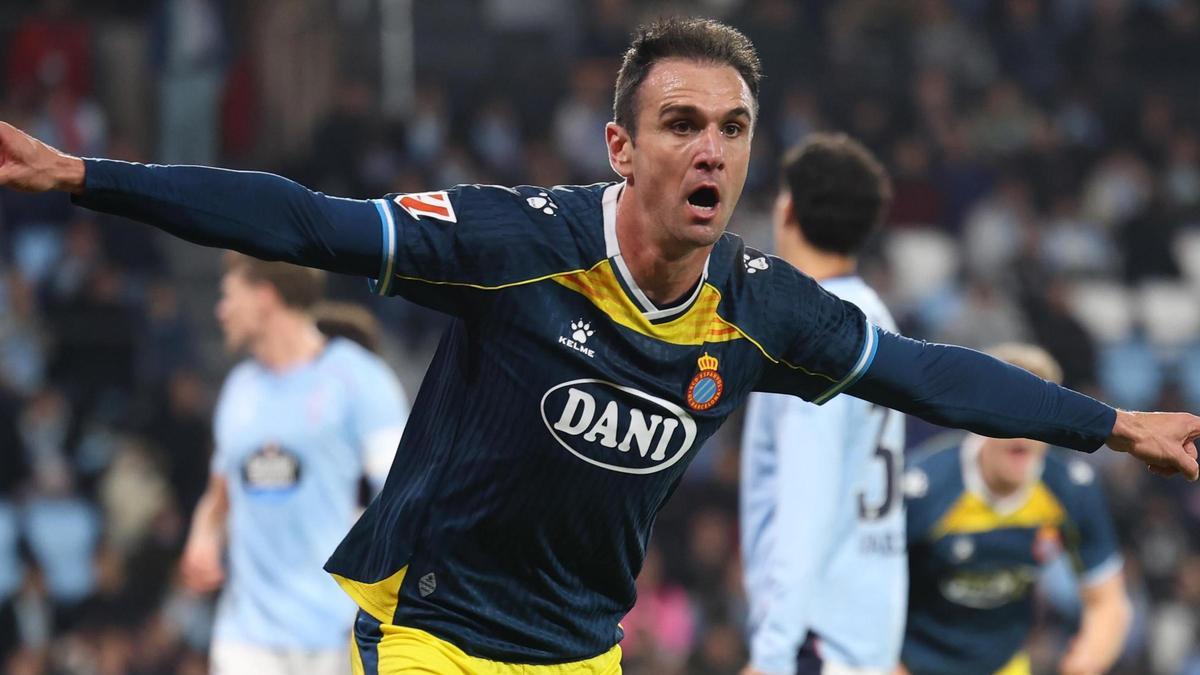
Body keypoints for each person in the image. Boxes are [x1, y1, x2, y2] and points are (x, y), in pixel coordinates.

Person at [0, 16, 1195, 675]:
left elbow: (927, 373)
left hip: (580, 653)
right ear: (621, 147)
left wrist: (1111, 423)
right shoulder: (514, 242)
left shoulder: (762, 308)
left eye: (734, 128)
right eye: (683, 124)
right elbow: (303, 221)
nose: (713, 151)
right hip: (433, 634)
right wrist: (83, 175)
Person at [180, 254, 408, 675]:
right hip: (245, 641)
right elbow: (219, 496)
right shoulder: (238, 391)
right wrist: (202, 537)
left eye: (230, 296)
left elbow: (405, 497)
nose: (221, 310)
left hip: (333, 636)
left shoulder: (359, 380)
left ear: (265, 298)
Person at [741, 133, 905, 675]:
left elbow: (804, 497)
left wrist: (771, 653)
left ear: (787, 209)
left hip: (813, 634)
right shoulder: (877, 318)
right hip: (867, 624)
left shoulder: (814, 333)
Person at [900, 344, 1131, 675]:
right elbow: (866, 586)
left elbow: (1107, 601)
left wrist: (1086, 661)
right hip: (912, 663)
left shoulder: (1071, 488)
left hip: (1004, 665)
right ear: (978, 415)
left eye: (1038, 409)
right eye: (1009, 408)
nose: (1024, 426)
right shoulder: (924, 487)